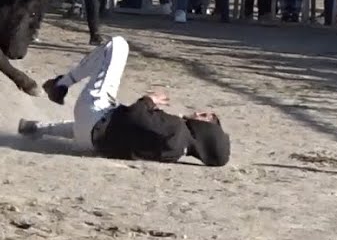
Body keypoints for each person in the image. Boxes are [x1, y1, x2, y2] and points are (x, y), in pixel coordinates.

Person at [16, 36, 231, 166]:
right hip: (91, 143)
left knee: (118, 45)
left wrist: (149, 100)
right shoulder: (175, 153)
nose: (198, 113)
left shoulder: (177, 129)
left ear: (206, 133)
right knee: (107, 122)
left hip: (94, 118)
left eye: (205, 117)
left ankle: (61, 84)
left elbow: (134, 115)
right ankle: (36, 128)